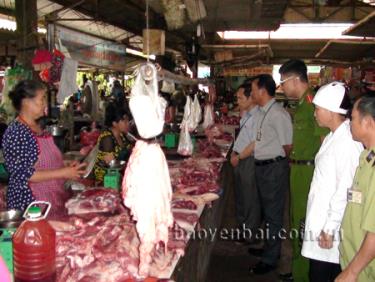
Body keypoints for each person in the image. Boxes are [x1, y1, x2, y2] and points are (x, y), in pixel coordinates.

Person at [301, 82, 363, 282]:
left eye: (317, 109)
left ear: (330, 111)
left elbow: (346, 189)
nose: (315, 114)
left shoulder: (347, 142)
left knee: (325, 274)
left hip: (331, 230)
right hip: (322, 221)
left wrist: (330, 228)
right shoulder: (333, 136)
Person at [2, 80, 86, 217]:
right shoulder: (17, 133)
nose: (45, 104)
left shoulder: (38, 128)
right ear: (26, 102)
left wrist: (65, 165)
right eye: (41, 99)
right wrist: (64, 172)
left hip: (50, 198)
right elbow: (26, 174)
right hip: (30, 204)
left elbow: (42, 162)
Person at [279, 59, 329, 281]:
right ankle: (299, 271)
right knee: (296, 221)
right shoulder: (301, 105)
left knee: (303, 225)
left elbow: (325, 140)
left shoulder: (313, 104)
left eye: (283, 82)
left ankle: (303, 276)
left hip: (308, 173)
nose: (282, 87)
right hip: (298, 171)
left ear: (295, 80)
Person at [249, 74, 293, 274]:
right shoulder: (262, 112)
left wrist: (277, 165)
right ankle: (268, 248)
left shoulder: (278, 114)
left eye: (253, 89)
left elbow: (288, 146)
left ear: (263, 90)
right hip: (263, 167)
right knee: (267, 211)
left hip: (273, 168)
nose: (251, 93)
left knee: (274, 214)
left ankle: (270, 259)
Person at [336, 95, 375, 282]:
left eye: (352, 118)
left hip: (364, 270)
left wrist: (352, 271)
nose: (349, 122)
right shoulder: (367, 156)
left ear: (367, 122)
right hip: (355, 260)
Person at [230, 81, 261, 238]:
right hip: (240, 158)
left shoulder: (258, 117)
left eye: (241, 98)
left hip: (249, 160)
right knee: (241, 197)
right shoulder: (247, 114)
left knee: (250, 199)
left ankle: (250, 234)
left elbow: (256, 143)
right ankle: (242, 229)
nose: (238, 102)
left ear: (251, 98)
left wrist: (239, 156)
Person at [94, 103, 133, 184]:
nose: (127, 123)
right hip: (106, 179)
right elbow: (110, 165)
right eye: (124, 121)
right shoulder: (107, 138)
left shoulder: (122, 135)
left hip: (119, 174)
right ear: (114, 123)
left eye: (127, 120)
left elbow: (130, 151)